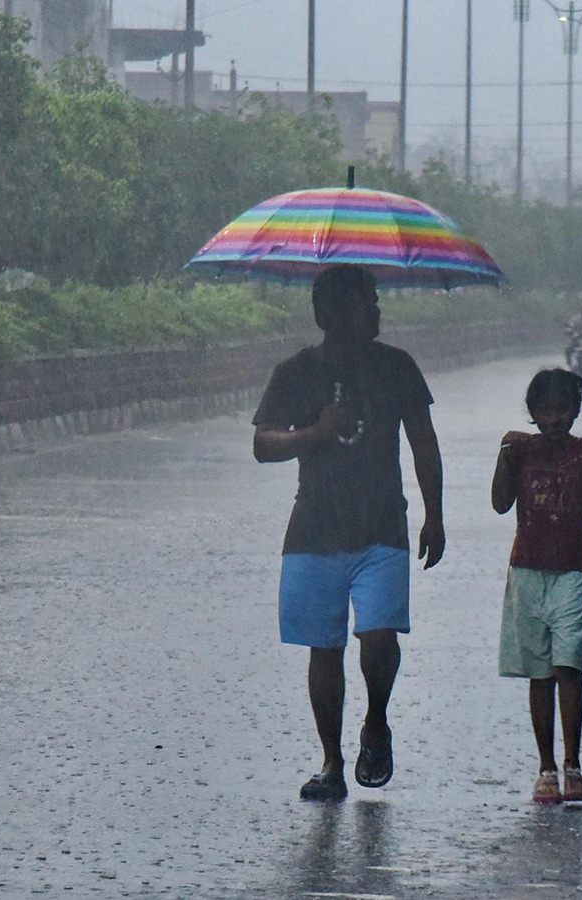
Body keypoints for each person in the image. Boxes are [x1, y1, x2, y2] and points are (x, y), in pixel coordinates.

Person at [252, 264, 445, 803]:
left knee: (380, 636)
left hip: (382, 524)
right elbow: (263, 444)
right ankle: (332, 762)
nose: (377, 310)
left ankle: (376, 722)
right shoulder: (294, 372)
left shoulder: (397, 367)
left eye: (376, 300)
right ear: (333, 313)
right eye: (367, 301)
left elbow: (423, 441)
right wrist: (316, 431)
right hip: (314, 529)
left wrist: (435, 512)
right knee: (325, 648)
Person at [490, 368, 582, 805]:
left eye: (564, 409)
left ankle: (573, 765)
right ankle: (546, 767)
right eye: (545, 410)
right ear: (533, 413)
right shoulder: (521, 452)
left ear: (577, 411)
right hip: (526, 572)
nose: (556, 418)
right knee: (541, 674)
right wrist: (505, 454)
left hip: (573, 574)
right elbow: (500, 503)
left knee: (569, 667)